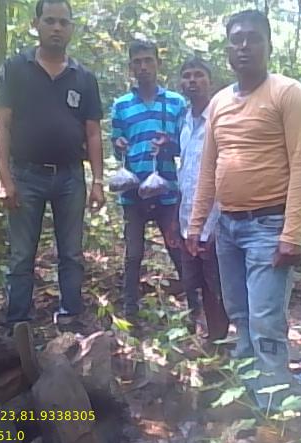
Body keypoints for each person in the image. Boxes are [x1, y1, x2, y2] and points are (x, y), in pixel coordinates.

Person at [187, 10, 301, 410]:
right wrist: (196, 225)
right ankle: (248, 399)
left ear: (268, 45)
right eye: (236, 39)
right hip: (228, 227)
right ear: (227, 48)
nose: (244, 46)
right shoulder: (219, 103)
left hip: (268, 226)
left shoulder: (288, 93)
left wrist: (291, 235)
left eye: (253, 38)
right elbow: (208, 168)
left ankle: (274, 416)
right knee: (239, 316)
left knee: (266, 322)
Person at [0, 0, 104, 328]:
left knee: (71, 253)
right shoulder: (15, 69)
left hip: (70, 177)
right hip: (26, 174)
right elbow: (0, 126)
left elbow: (93, 132)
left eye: (63, 22)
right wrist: (4, 179)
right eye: (50, 20)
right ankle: (18, 324)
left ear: (71, 29)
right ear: (36, 24)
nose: (57, 28)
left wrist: (98, 181)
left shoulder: (84, 77)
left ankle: (71, 318)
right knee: (22, 254)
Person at [111, 40, 199, 322]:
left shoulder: (175, 103)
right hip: (133, 193)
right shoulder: (121, 105)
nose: (143, 67)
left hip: (166, 192)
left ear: (158, 64)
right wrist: (119, 144)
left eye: (148, 60)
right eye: (137, 62)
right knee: (133, 255)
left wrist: (169, 143)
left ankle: (195, 312)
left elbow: (185, 146)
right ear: (130, 67)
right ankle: (131, 314)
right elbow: (116, 145)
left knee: (177, 250)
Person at [177, 57, 229, 341]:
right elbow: (186, 171)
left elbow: (222, 171)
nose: (192, 81)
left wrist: (212, 224)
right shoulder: (185, 121)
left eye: (198, 75)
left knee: (216, 285)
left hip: (215, 219)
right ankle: (202, 335)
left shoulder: (220, 119)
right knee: (192, 282)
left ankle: (221, 340)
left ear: (210, 81)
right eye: (187, 76)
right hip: (188, 219)